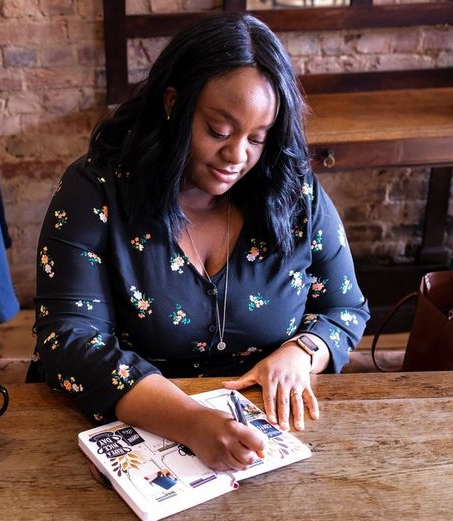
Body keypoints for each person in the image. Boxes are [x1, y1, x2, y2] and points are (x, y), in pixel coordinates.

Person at [32, 13, 369, 472]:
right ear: (175, 103)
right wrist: (192, 422)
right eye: (218, 131)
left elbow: (344, 308)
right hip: (131, 436)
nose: (237, 157)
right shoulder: (96, 191)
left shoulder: (292, 192)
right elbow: (69, 340)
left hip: (266, 442)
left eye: (257, 138)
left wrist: (301, 352)